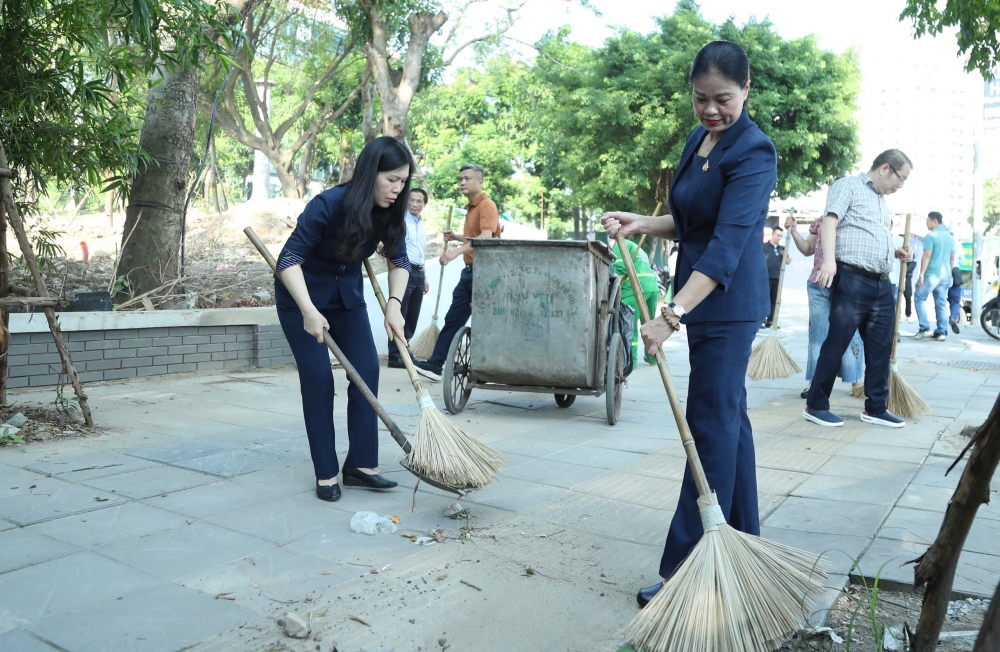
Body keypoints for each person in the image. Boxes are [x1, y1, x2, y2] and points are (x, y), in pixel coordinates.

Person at [601, 41, 777, 608]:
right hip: (701, 301)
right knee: (729, 422)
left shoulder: (755, 151)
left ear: (746, 91)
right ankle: (743, 546)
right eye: (701, 99)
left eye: (723, 99)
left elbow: (725, 245)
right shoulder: (697, 141)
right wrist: (642, 224)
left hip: (724, 302)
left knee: (707, 426)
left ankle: (688, 570)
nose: (711, 110)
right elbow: (688, 218)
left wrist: (671, 315)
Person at [274, 136, 413, 502]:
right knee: (319, 380)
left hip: (346, 298)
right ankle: (325, 473)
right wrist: (308, 310)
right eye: (391, 180)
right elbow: (288, 261)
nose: (398, 189)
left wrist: (394, 305)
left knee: (367, 370)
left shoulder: (388, 212)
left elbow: (400, 261)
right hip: (301, 297)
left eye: (403, 181)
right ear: (371, 173)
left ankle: (361, 466)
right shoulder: (328, 205)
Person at [803, 149, 914, 430]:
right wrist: (829, 261)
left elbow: (869, 235)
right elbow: (830, 221)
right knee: (837, 342)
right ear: (885, 168)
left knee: (880, 347)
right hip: (852, 278)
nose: (899, 186)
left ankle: (876, 407)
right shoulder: (848, 185)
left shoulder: (881, 202)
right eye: (900, 179)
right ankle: (816, 404)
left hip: (880, 282)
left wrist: (896, 251)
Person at [414, 164, 500, 380]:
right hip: (470, 273)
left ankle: (489, 368)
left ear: (480, 182)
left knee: (487, 323)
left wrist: (455, 252)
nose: (462, 182)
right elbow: (475, 236)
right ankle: (435, 364)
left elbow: (486, 237)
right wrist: (457, 237)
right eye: (461, 178)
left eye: (467, 178)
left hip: (486, 273)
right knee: (453, 319)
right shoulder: (472, 207)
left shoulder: (487, 205)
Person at [785, 214, 865, 399]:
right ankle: (814, 380)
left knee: (851, 333)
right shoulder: (821, 220)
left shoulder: (859, 219)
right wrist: (795, 231)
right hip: (818, 283)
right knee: (818, 335)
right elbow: (808, 249)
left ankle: (857, 380)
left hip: (848, 285)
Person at [387, 188, 430, 368]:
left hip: (419, 273)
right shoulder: (401, 220)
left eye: (419, 201)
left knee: (412, 315)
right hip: (405, 269)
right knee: (400, 312)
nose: (414, 204)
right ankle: (396, 355)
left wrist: (425, 276)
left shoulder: (421, 224)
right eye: (411, 200)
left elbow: (421, 251)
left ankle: (405, 348)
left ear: (424, 204)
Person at [610, 238, 660, 366]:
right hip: (652, 286)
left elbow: (620, 269)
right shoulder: (635, 246)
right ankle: (653, 358)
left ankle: (630, 362)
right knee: (649, 324)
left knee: (628, 325)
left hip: (635, 287)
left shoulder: (620, 244)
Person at [913, 211, 955, 342]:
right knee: (941, 302)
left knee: (919, 298)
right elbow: (952, 258)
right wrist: (950, 272)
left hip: (932, 274)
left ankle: (924, 328)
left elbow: (927, 255)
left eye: (928, 221)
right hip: (946, 274)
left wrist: (921, 275)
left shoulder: (931, 236)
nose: (927, 223)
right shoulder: (950, 237)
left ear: (935, 221)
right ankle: (941, 331)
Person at [762, 226, 785, 328]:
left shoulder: (782, 248)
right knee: (763, 299)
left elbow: (788, 261)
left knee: (774, 300)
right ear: (772, 235)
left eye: (781, 236)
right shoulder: (764, 246)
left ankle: (771, 321)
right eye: (778, 235)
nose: (779, 237)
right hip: (765, 277)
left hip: (777, 277)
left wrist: (785, 255)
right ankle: (761, 320)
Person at [948, 265, 963, 334]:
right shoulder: (954, 253)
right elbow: (961, 260)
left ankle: (941, 329)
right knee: (955, 302)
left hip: (940, 274)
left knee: (940, 302)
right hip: (955, 276)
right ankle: (953, 317)